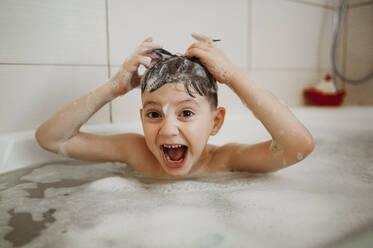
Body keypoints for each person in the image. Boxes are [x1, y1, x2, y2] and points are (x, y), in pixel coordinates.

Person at [35, 33, 314, 178]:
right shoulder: (136, 153)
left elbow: (298, 147)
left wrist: (233, 77)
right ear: (142, 117)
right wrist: (113, 88)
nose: (169, 130)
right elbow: (50, 139)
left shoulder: (225, 161)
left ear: (215, 122)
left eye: (187, 113)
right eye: (154, 114)